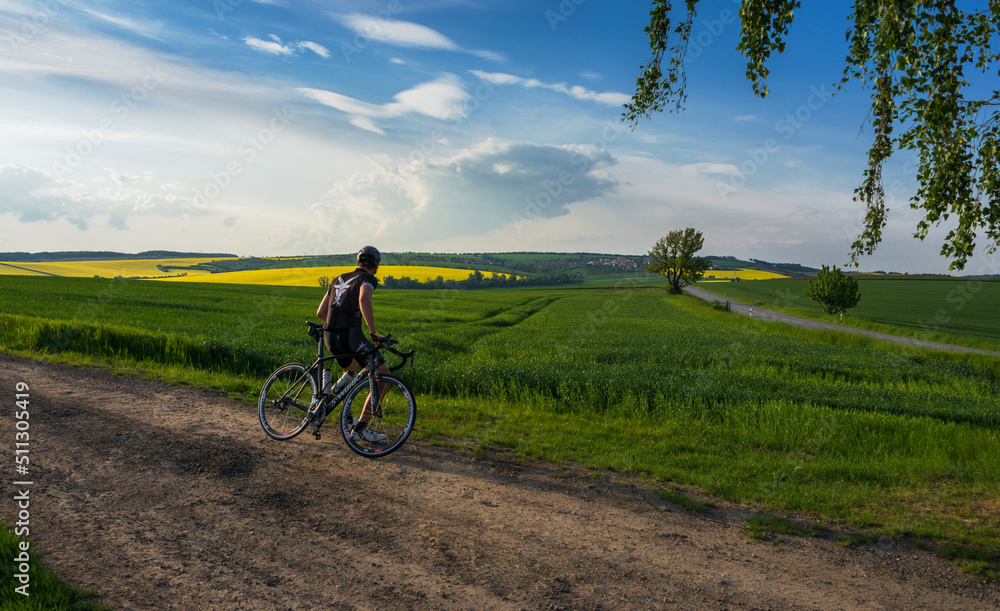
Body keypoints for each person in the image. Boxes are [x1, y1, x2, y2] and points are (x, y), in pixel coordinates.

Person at [314, 246, 390, 442]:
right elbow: (363, 298)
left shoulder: (338, 278)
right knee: (383, 372)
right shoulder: (368, 279)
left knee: (350, 373)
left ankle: (346, 419)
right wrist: (373, 332)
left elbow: (321, 312)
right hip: (351, 336)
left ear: (358, 263)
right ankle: (361, 428)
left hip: (331, 337)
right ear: (376, 266)